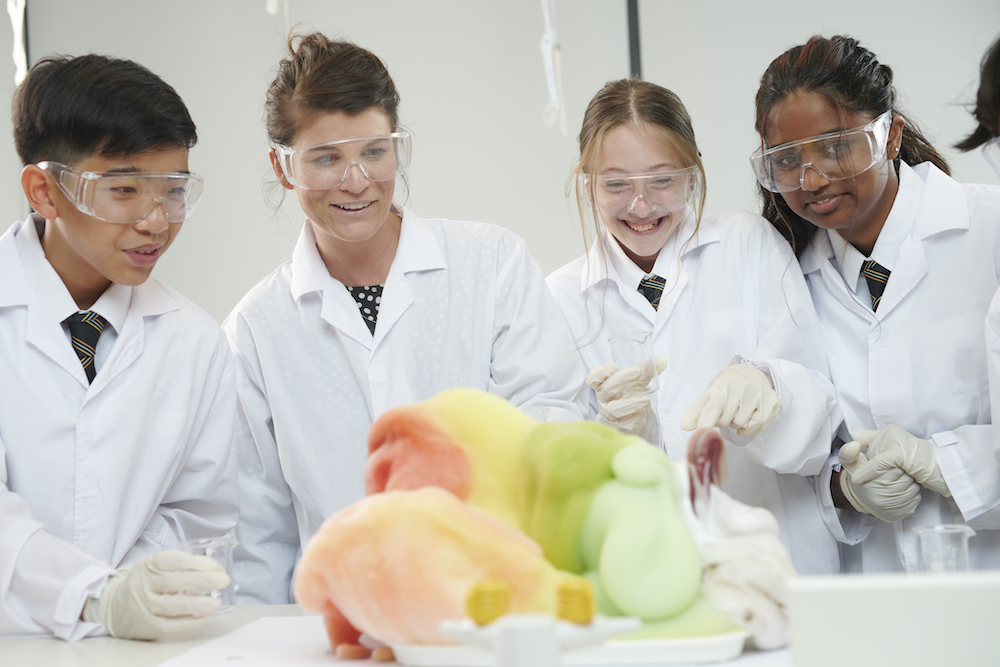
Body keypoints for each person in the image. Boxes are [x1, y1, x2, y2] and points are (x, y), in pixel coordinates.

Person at [225, 33, 589, 604]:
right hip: (344, 624)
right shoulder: (256, 327)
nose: (356, 180)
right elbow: (257, 534)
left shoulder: (490, 263)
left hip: (492, 605)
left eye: (374, 151)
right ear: (282, 165)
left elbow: (552, 424)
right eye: (325, 158)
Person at [545, 78, 842, 575]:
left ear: (692, 175)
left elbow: (820, 429)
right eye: (616, 184)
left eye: (662, 180)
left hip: (778, 560)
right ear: (586, 182)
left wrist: (769, 390)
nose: (641, 207)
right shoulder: (560, 298)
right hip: (650, 574)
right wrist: (610, 436)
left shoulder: (746, 244)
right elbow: (557, 479)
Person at [0, 55, 238, 640]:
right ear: (44, 191)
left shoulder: (196, 341)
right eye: (125, 189)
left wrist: (133, 592)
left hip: (128, 648)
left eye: (174, 191)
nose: (156, 221)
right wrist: (94, 595)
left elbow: (196, 516)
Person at [752, 34, 1000, 573]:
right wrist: (844, 488)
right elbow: (799, 460)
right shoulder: (791, 275)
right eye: (786, 159)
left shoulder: (990, 232)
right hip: (876, 595)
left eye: (837, 145)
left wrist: (944, 463)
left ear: (890, 137)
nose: (811, 179)